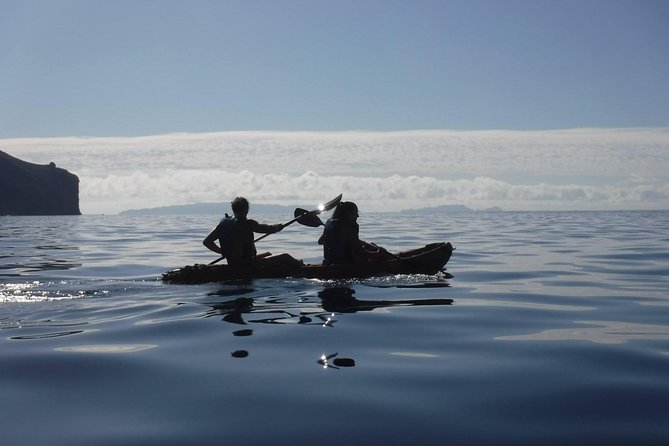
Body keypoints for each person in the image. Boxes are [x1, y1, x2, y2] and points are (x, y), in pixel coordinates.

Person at [203, 197, 302, 267]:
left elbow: (207, 242)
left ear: (233, 210)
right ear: (247, 210)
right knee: (285, 257)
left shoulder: (222, 225)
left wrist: (223, 252)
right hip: (247, 265)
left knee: (268, 254)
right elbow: (269, 229)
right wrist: (279, 227)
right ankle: (303, 267)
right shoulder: (248, 224)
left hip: (232, 263)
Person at [317, 201, 394, 265]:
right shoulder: (350, 227)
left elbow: (321, 241)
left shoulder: (330, 223)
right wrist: (378, 253)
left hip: (329, 263)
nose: (357, 215)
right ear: (347, 214)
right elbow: (360, 252)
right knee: (381, 257)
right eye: (355, 212)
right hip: (346, 265)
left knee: (369, 247)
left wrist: (360, 243)